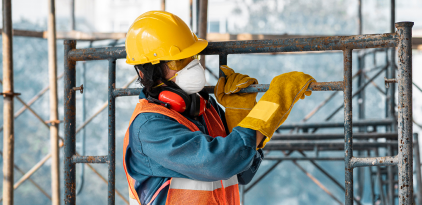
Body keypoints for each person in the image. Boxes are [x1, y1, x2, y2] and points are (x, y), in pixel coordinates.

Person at [123, 11, 315, 205]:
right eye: (178, 61)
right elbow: (221, 162)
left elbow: (243, 173)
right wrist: (275, 103)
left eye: (193, 56)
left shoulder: (205, 108)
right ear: (147, 72)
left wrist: (239, 115)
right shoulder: (149, 127)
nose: (192, 66)